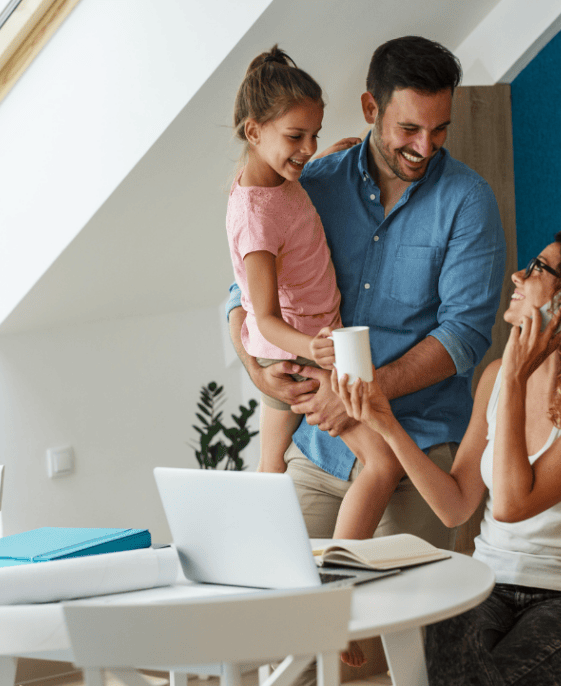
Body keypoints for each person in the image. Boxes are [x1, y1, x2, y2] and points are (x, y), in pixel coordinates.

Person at [336, 225, 561, 685]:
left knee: (472, 680)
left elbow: (511, 506)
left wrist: (515, 374)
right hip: (487, 585)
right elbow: (455, 507)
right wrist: (384, 421)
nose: (516, 275)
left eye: (536, 268)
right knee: (424, 659)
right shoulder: (495, 378)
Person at [226, 36, 506, 551]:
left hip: (417, 443)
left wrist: (362, 392)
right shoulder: (313, 183)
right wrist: (257, 369)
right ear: (370, 108)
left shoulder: (468, 202)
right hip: (319, 444)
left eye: (439, 128)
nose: (426, 147)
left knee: (388, 620)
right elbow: (243, 292)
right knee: (282, 600)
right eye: (408, 128)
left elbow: (464, 336)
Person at [226, 46, 406, 546]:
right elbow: (260, 317)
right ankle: (342, 568)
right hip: (299, 352)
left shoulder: (278, 182)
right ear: (254, 131)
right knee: (383, 462)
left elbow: (289, 208)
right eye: (295, 137)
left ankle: (261, 563)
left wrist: (322, 159)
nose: (306, 148)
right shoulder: (256, 219)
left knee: (270, 470)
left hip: (298, 348)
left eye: (314, 135)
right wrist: (315, 355)